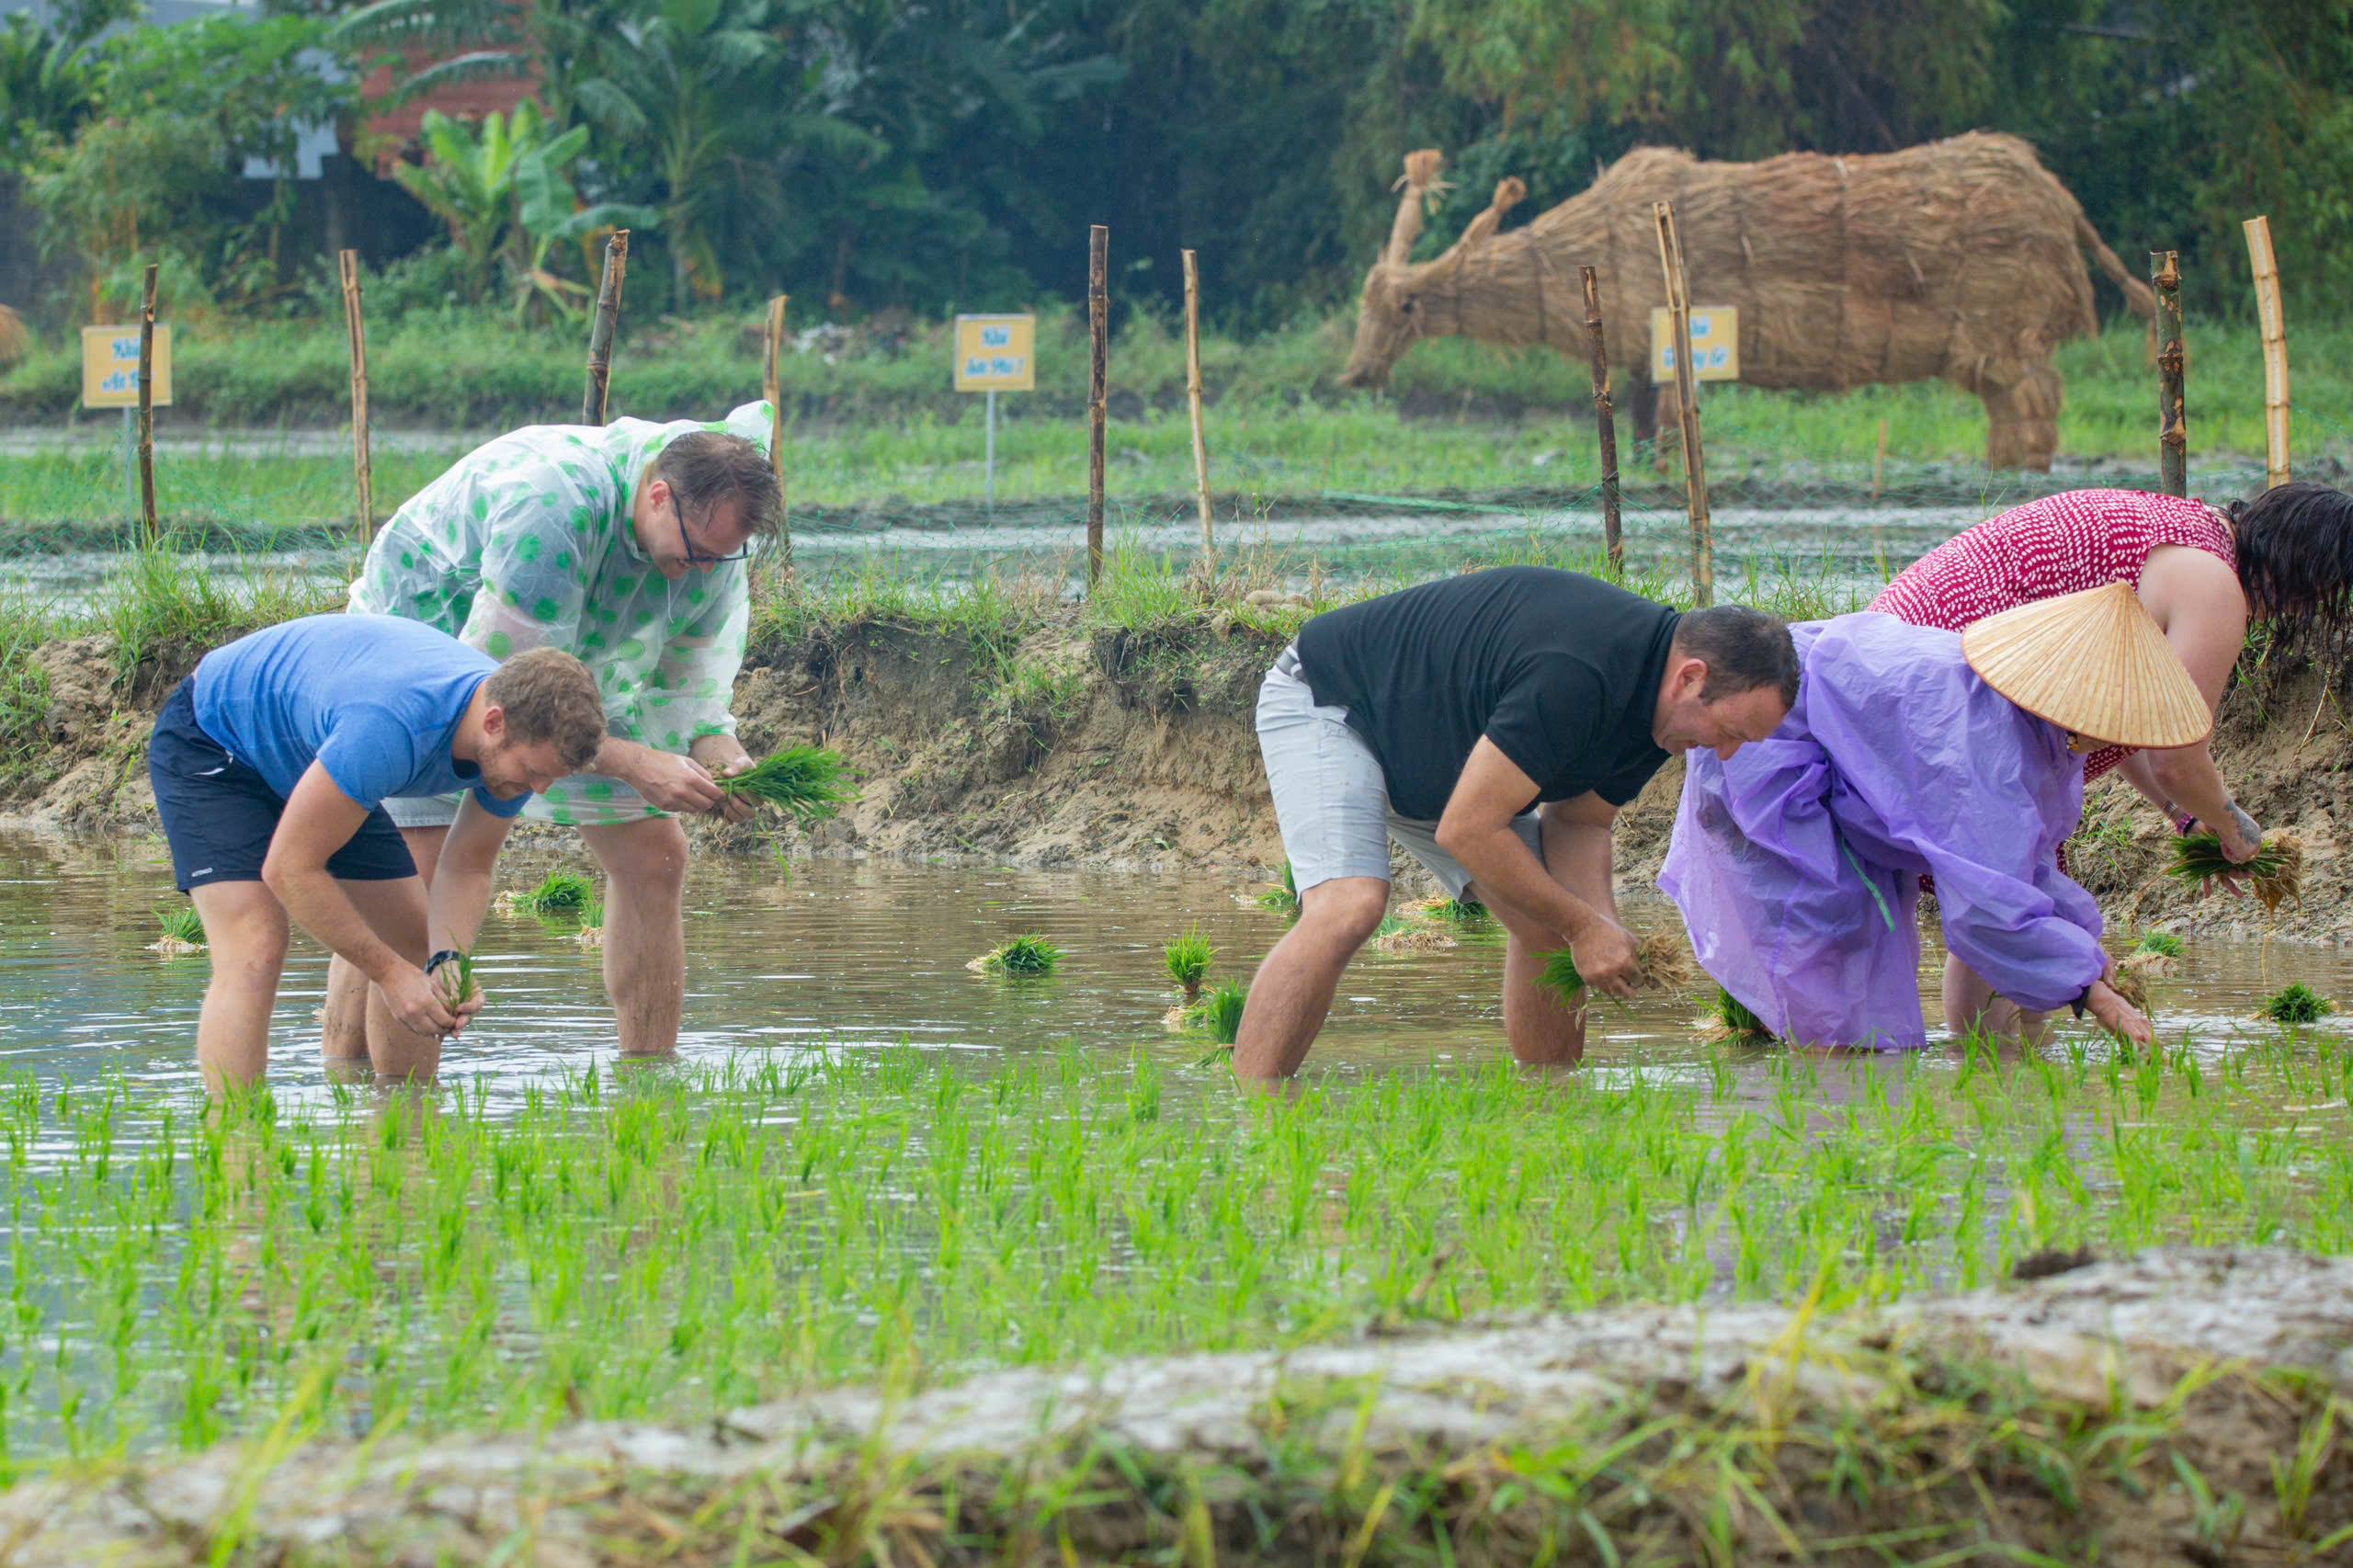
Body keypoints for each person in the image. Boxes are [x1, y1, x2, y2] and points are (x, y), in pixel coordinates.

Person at [326, 403, 786, 1057]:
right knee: (409, 886)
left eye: (722, 559)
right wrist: (632, 761)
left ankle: (647, 1083)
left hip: (573, 666)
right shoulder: (555, 504)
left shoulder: (708, 549)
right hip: (435, 650)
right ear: (658, 495)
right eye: (696, 555)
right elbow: (506, 704)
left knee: (658, 854)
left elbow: (690, 687)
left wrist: (721, 754)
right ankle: (374, 1103)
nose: (706, 572)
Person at [1233, 566, 1801, 1081]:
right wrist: (1585, 929)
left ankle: (1549, 1106)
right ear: (1691, 677)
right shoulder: (1579, 673)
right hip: (1335, 703)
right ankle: (1253, 1114)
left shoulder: (1664, 717)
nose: (1724, 754)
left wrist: (1598, 925)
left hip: (1444, 765)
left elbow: (1580, 824)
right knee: (1349, 906)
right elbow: (1469, 830)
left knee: (1547, 926)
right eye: (1730, 731)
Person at [1662, 583, 2207, 1052]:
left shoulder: (2038, 733)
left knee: (1860, 968)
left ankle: (1837, 1099)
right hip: (1769, 743)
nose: (2120, 737)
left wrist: (2084, 951)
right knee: (1837, 949)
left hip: (1816, 728)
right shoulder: (1985, 740)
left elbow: (2017, 864)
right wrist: (2094, 995)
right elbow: (1985, 907)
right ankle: (1826, 1115)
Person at [148, 615, 606, 1090]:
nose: (537, 789)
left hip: (320, 752)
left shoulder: (518, 744)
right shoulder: (391, 726)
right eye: (533, 773)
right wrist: (388, 975)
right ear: (494, 723)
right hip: (216, 740)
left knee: (415, 943)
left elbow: (469, 864)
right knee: (255, 946)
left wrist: (449, 959)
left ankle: (406, 1136)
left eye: (549, 779)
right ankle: (237, 1146)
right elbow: (289, 869)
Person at [1872, 483, 2353, 860]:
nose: (2295, 611)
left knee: (2001, 908)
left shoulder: (2183, 526)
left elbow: (2114, 713)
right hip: (1949, 689)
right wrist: (2235, 830)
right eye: (2313, 598)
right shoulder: (2213, 586)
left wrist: (2184, 817)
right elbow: (2177, 762)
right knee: (2024, 917)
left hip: (1889, 657)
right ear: (2300, 574)